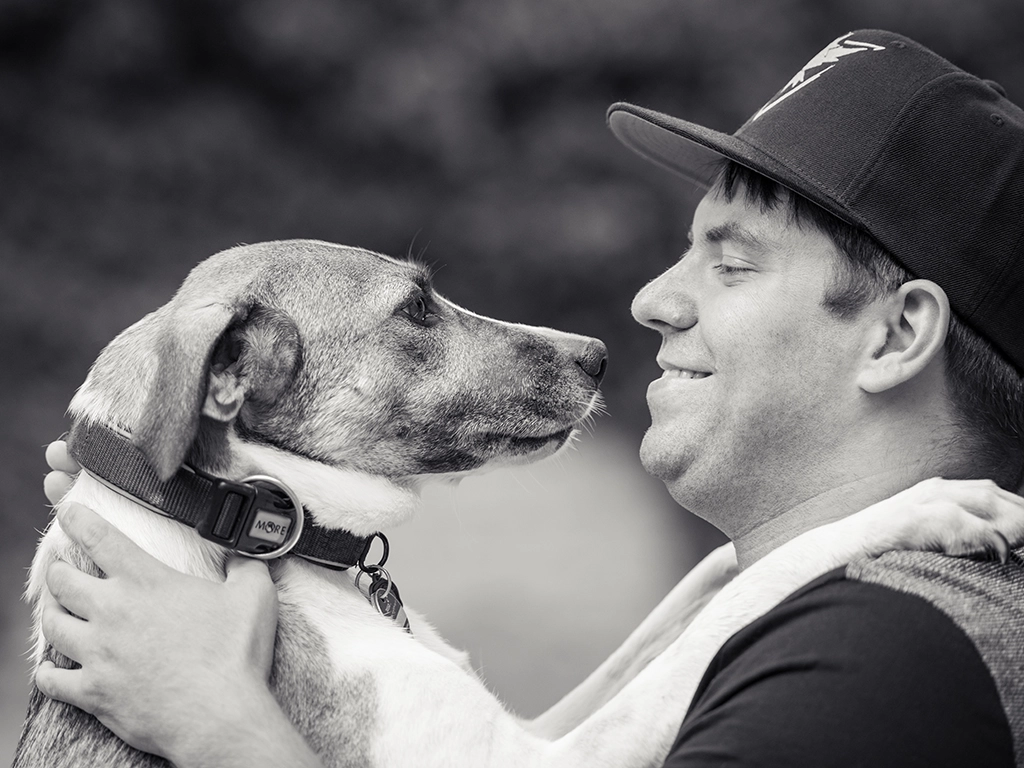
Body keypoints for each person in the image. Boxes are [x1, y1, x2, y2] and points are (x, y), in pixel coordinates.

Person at [35, 28, 1024, 767]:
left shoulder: (879, 664)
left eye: (729, 264)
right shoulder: (859, 621)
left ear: (896, 335)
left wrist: (223, 727)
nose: (649, 299)